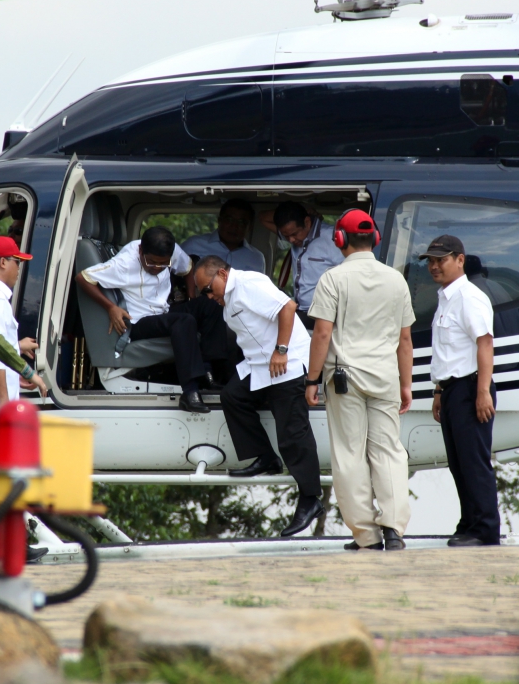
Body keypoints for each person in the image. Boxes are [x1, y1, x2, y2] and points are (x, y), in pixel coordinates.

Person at [305, 209, 415, 551]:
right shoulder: (396, 279)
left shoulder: (332, 279)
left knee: (350, 454)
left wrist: (311, 380)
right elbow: (405, 339)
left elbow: (322, 333)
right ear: (375, 239)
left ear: (340, 239)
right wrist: (406, 384)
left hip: (344, 379)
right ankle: (394, 530)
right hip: (385, 376)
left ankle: (366, 536)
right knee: (389, 451)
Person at [194, 255, 323, 537]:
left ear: (223, 275)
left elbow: (288, 308)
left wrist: (281, 350)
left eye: (208, 288)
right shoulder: (227, 299)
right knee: (232, 397)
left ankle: (311, 499)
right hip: (259, 366)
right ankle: (266, 457)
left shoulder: (249, 284)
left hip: (285, 364)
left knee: (292, 434)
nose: (208, 295)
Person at [76, 225, 229, 413]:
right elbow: (83, 278)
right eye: (152, 262)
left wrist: (191, 298)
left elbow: (188, 266)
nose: (157, 268)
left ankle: (208, 372)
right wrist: (111, 307)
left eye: (163, 264)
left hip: (164, 312)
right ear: (141, 251)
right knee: (184, 321)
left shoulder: (171, 253)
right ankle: (190, 392)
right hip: (140, 321)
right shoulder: (124, 263)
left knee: (210, 304)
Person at [421, 235, 500, 547]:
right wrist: (439, 391)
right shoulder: (446, 297)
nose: (434, 266)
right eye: (430, 260)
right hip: (453, 389)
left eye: (441, 260)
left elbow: (485, 342)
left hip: (471, 387)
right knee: (458, 462)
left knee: (473, 462)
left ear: (460, 260)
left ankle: (485, 529)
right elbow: (447, 350)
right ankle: (469, 523)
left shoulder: (469, 296)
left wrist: (483, 392)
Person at [0, 236, 47, 409]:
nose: (19, 269)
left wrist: (16, 349)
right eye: (17, 262)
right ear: (3, 262)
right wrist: (4, 402)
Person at [260, 201, 344, 328]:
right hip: (301, 313)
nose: (291, 240)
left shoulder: (334, 239)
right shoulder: (291, 232)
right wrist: (300, 209)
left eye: (294, 234)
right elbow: (263, 218)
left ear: (307, 222)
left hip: (327, 316)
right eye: (286, 236)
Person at [182, 199, 265, 272]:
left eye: (241, 223)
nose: (234, 226)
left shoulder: (256, 258)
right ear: (219, 221)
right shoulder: (193, 245)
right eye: (229, 220)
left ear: (249, 227)